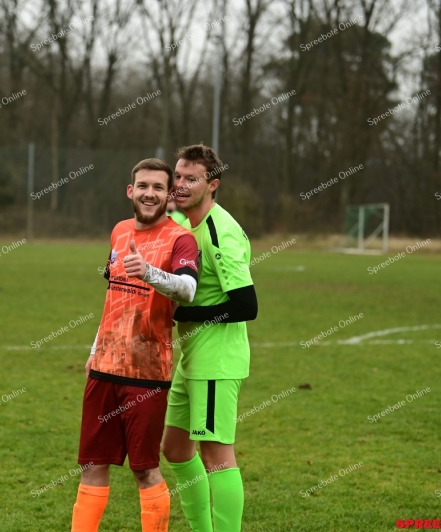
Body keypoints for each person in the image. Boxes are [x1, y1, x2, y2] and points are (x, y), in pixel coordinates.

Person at [72, 159, 200, 532]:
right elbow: (112, 294)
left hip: (147, 371)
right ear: (131, 191)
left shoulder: (180, 238)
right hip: (104, 367)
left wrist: (151, 273)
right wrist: (95, 348)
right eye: (143, 186)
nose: (149, 193)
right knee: (92, 464)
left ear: (169, 194)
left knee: (145, 469)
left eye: (158, 187)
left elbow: (188, 289)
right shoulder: (119, 231)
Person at [161, 145, 258, 532]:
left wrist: (185, 313)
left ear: (212, 185)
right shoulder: (185, 225)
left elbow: (246, 304)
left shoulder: (220, 230)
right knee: (175, 448)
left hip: (216, 358)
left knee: (217, 455)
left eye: (191, 179)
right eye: (178, 177)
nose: (180, 185)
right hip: (193, 356)